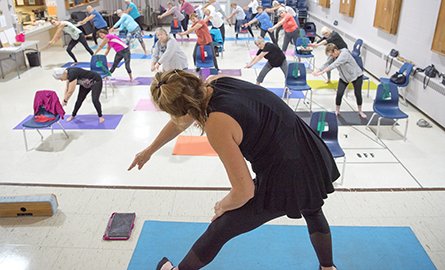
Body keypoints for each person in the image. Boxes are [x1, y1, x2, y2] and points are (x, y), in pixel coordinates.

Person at [128, 70, 339, 270]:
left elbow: (244, 191)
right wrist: (149, 150)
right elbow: (182, 121)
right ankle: (328, 266)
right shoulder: (216, 81)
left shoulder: (217, 123)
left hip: (287, 175)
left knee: (221, 227)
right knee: (312, 208)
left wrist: (223, 205)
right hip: (311, 151)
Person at [313, 43, 367, 118]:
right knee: (339, 94)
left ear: (335, 51)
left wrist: (322, 72)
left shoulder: (344, 54)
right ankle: (337, 111)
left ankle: (360, 111)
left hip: (357, 76)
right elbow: (327, 63)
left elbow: (334, 64)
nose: (331, 57)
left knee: (357, 94)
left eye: (331, 55)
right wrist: (318, 70)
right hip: (344, 78)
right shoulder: (333, 56)